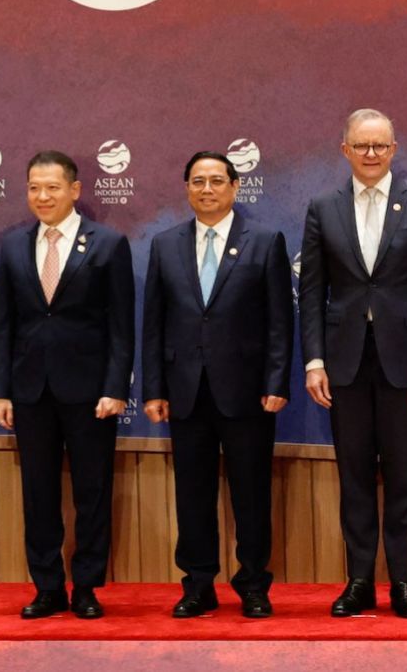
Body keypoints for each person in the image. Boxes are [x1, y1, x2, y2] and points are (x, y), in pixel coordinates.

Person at [300, 109, 407, 618]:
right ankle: (360, 581)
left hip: (406, 363)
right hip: (343, 362)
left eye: (380, 146)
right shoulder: (323, 207)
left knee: (405, 476)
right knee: (355, 475)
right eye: (361, 146)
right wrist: (314, 360)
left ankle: (404, 584)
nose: (371, 154)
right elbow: (312, 291)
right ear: (344, 149)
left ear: (394, 148)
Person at [143, 151, 292, 619]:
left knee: (251, 492)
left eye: (216, 181)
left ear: (234, 187)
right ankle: (198, 584)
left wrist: (276, 380)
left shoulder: (265, 241)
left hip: (248, 390)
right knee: (193, 493)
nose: (206, 189)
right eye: (197, 181)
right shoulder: (165, 244)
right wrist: (153, 388)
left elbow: (279, 322)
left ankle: (252, 584)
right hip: (185, 390)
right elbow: (154, 323)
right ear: (186, 188)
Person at [0, 151, 133, 620]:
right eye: (33, 188)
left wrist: (115, 387)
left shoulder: (108, 243)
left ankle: (87, 587)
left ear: (74, 190)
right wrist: (1, 390)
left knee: (92, 492)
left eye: (52, 187)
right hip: (30, 391)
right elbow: (4, 323)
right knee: (38, 493)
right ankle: (47, 587)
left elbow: (121, 326)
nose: (42, 196)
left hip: (91, 393)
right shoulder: (12, 246)